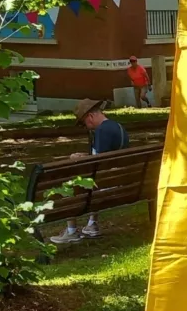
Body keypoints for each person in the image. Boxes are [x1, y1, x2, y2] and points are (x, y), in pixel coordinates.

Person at [50, 99, 130, 244]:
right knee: (94, 180)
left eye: (84, 123)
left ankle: (71, 231)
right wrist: (85, 156)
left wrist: (76, 159)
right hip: (120, 181)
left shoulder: (101, 131)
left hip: (104, 185)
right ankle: (92, 224)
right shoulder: (118, 127)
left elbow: (95, 164)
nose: (87, 128)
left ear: (90, 117)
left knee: (68, 186)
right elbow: (103, 157)